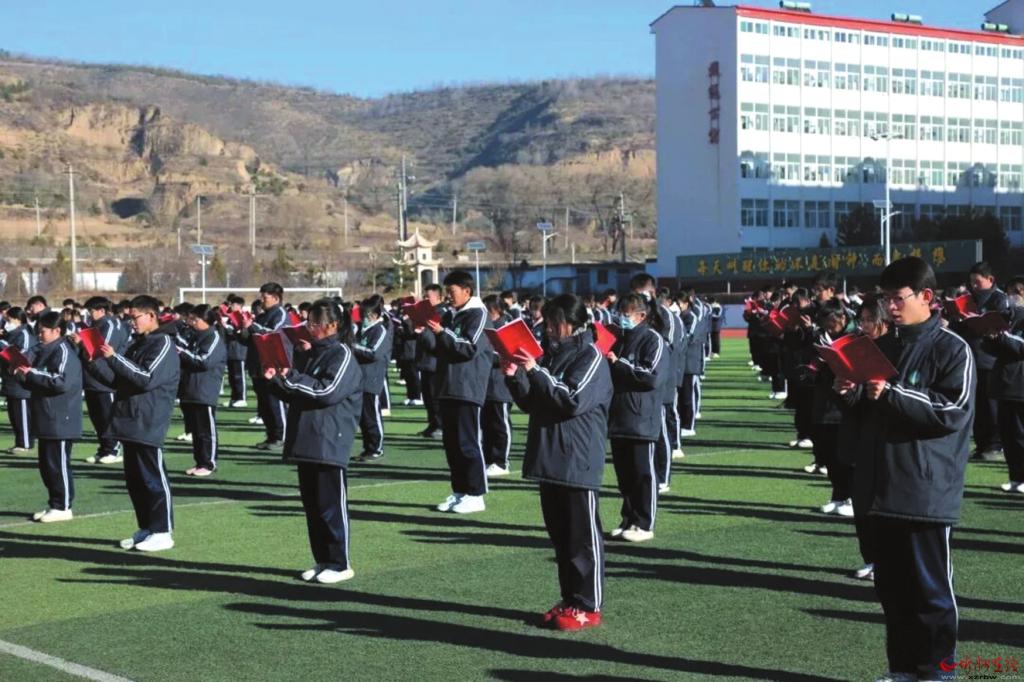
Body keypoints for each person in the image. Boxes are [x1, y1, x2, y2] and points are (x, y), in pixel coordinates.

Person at [836, 257, 974, 681]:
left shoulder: (952, 348)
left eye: (898, 298)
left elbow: (951, 410)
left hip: (925, 491)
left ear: (926, 297)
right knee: (892, 592)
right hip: (880, 487)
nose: (890, 307)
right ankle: (902, 669)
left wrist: (891, 392)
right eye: (885, 299)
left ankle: (937, 673)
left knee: (931, 595)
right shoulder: (883, 345)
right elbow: (870, 412)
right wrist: (850, 391)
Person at [505, 294, 611, 631]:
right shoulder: (550, 355)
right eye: (547, 322)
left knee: (583, 539)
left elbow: (570, 399)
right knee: (562, 538)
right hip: (549, 456)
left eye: (555, 323)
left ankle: (589, 605)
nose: (549, 329)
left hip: (578, 459)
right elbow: (533, 402)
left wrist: (535, 370)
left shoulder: (591, 355)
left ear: (574, 324)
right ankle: (570, 599)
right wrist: (515, 375)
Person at [265, 299, 362, 584]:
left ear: (333, 325)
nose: (310, 328)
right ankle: (323, 560)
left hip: (329, 439)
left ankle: (340, 563)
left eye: (315, 323)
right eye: (308, 322)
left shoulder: (342, 354)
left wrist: (290, 377)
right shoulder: (309, 353)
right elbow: (295, 392)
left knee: (331, 506)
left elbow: (326, 391)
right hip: (307, 436)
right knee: (313, 507)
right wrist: (276, 379)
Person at [84, 295, 180, 552]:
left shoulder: (163, 342)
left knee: (153, 478)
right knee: (135, 481)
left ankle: (163, 531)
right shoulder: (137, 343)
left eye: (135, 317)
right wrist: (92, 360)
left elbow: (146, 378)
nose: (131, 322)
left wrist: (114, 357)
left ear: (151, 316)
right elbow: (117, 380)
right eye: (129, 318)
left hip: (148, 419)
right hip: (128, 418)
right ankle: (147, 528)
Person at [834, 294, 891, 581]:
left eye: (871, 320)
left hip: (888, 438)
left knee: (884, 506)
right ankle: (871, 558)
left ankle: (887, 560)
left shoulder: (897, 348)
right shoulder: (857, 347)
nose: (866, 325)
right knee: (862, 503)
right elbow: (853, 403)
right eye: (863, 319)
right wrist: (844, 390)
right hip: (859, 434)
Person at [427, 271, 492, 514]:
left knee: (468, 443)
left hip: (467, 387)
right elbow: (439, 348)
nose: (448, 296)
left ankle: (476, 494)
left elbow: (469, 347)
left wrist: (442, 333)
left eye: (452, 291)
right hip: (448, 386)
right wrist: (427, 331)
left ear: (467, 290)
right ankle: (460, 491)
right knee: (452, 445)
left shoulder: (479, 314)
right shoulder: (450, 314)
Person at [606, 293, 668, 543]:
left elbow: (651, 376)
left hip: (641, 418)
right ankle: (628, 519)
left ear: (641, 316)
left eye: (626, 314)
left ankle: (644, 523)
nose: (621, 318)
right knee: (624, 475)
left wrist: (619, 364)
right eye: (620, 313)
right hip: (618, 416)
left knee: (643, 473)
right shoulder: (619, 339)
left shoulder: (653, 339)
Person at [17, 311, 83, 523]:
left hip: (61, 416)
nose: (39, 335)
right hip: (46, 415)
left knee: (58, 464)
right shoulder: (44, 349)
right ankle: (55, 503)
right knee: (47, 465)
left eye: (43, 331)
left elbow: (60, 381)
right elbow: (35, 377)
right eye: (38, 331)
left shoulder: (63, 351)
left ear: (57, 331)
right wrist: (20, 372)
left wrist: (31, 373)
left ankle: (63, 506)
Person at [954, 261, 1009, 461]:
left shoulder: (999, 299)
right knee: (976, 405)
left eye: (977, 282)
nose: (974, 286)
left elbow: (1003, 325)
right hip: (971, 358)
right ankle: (981, 444)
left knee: (991, 404)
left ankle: (995, 445)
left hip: (990, 359)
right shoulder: (968, 299)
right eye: (971, 282)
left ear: (990, 279)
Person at [811, 299, 854, 517]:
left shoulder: (855, 338)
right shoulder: (822, 336)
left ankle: (852, 498)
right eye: (825, 322)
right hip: (825, 400)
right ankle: (838, 496)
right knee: (828, 454)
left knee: (846, 455)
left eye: (832, 322)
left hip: (846, 404)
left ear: (842, 318)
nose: (829, 326)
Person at [981, 277, 1024, 493]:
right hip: (1003, 384)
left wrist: (1003, 337)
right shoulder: (1007, 316)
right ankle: (1015, 478)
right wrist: (990, 337)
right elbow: (991, 350)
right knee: (1008, 435)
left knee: (1020, 434)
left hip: (1020, 384)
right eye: (1010, 291)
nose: (1013, 296)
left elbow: (1021, 347)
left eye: (1018, 291)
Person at [176, 305, 228, 477]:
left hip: (204, 390)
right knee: (196, 431)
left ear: (205, 320)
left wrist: (182, 353)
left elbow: (204, 361)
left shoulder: (213, 337)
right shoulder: (194, 336)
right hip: (190, 389)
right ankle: (200, 462)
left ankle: (209, 463)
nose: (191, 322)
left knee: (206, 430)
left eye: (194, 319)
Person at [77, 297, 129, 464]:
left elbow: (102, 348)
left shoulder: (110, 325)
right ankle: (104, 448)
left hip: (106, 377)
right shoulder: (95, 325)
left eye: (91, 311)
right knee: (97, 417)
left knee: (108, 416)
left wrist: (81, 342)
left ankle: (114, 449)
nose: (89, 314)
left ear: (102, 310)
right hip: (92, 376)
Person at [242, 283, 288, 450]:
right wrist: (243, 329)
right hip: (258, 364)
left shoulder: (280, 314)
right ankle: (271, 436)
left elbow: (272, 333)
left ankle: (282, 437)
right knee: (264, 404)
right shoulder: (262, 315)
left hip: (273, 365)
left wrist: (252, 326)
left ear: (275, 298)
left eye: (264, 297)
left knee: (275, 401)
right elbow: (250, 338)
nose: (261, 300)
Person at [352, 294, 392, 461]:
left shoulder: (380, 330)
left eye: (366, 315)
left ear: (374, 315)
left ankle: (377, 448)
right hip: (360, 378)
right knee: (363, 417)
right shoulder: (362, 329)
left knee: (372, 416)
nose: (364, 318)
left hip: (372, 378)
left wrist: (354, 347)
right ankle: (367, 447)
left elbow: (374, 352)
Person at [481, 294, 514, 477]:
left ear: (498, 310)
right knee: (487, 424)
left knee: (501, 424)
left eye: (489, 309)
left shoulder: (507, 326)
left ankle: (502, 461)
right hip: (485, 383)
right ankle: (489, 459)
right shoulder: (485, 326)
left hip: (501, 383)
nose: (486, 312)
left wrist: (484, 354)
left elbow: (509, 354)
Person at [2, 307, 36, 454]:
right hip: (10, 379)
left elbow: (22, 356)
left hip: (21, 381)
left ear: (18, 319)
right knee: (14, 415)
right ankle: (19, 441)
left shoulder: (24, 334)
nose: (7, 323)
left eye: (9, 320)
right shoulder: (11, 334)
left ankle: (25, 443)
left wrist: (2, 345)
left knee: (22, 414)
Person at [414, 285, 445, 439]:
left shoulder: (441, 314)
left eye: (428, 297)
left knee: (435, 397)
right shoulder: (426, 314)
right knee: (427, 396)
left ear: (439, 298)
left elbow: (435, 343)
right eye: (424, 296)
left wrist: (423, 332)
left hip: (435, 363)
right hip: (425, 361)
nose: (425, 299)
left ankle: (440, 425)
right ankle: (432, 423)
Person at [222, 295, 249, 408]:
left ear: (239, 306)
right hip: (231, 350)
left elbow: (241, 332)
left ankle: (242, 398)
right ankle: (234, 398)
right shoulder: (230, 317)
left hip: (239, 350)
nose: (231, 306)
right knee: (232, 377)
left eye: (233, 305)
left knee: (239, 376)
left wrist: (227, 327)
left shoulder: (243, 317)